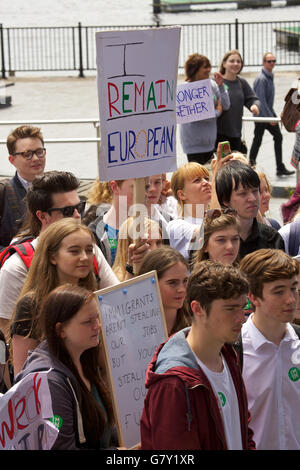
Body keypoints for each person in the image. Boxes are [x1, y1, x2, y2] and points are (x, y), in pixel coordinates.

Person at [140, 261, 255, 450]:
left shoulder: (229, 355)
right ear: (197, 308)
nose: (241, 318)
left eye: (242, 307)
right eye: (230, 309)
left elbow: (243, 430)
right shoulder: (173, 384)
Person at [0, 171, 119, 341]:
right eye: (68, 210)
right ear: (42, 216)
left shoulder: (91, 251)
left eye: (80, 207)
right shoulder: (16, 267)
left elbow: (117, 302)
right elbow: (7, 338)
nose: (77, 216)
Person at [14, 284, 116, 450]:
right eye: (88, 322)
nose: (98, 326)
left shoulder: (84, 355)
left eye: (97, 318)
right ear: (61, 330)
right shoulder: (50, 384)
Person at [10, 218, 99, 376]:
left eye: (89, 250)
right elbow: (23, 376)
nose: (85, 257)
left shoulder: (91, 297)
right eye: (74, 251)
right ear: (52, 257)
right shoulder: (31, 305)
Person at [239, 248, 300, 450]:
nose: (291, 299)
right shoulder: (234, 351)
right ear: (253, 297)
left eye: (294, 288)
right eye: (278, 291)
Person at [215, 160, 285, 259]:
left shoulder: (272, 238)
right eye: (243, 193)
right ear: (225, 200)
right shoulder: (209, 237)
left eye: (255, 191)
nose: (252, 198)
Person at [179, 53, 230, 165]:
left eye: (209, 67)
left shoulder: (212, 85)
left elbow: (226, 105)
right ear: (195, 69)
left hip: (209, 143)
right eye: (205, 67)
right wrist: (218, 111)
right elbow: (201, 116)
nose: (208, 70)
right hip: (193, 144)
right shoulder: (186, 89)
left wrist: (221, 87)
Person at [249, 52, 294, 176]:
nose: (272, 63)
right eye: (269, 61)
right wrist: (270, 118)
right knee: (258, 140)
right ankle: (251, 165)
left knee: (274, 137)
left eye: (274, 61)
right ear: (264, 63)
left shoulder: (269, 76)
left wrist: (275, 115)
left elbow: (268, 103)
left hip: (267, 114)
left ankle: (279, 167)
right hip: (261, 117)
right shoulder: (261, 79)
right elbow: (261, 101)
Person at [0, 125, 46, 249]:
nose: (36, 158)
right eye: (27, 154)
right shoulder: (3, 193)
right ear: (12, 160)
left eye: (39, 152)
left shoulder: (56, 190)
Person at [138, 246, 190, 336]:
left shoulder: (194, 327)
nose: (182, 289)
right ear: (150, 283)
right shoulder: (135, 330)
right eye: (172, 282)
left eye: (185, 281)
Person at [217, 49, 260, 153]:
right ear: (224, 63)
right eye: (232, 61)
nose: (235, 64)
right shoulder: (217, 82)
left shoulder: (241, 82)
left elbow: (253, 99)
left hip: (236, 134)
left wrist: (254, 106)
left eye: (238, 61)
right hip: (219, 135)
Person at [87, 178, 134, 266]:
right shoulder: (94, 234)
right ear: (115, 187)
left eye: (146, 187)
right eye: (135, 187)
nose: (145, 193)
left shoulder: (152, 226)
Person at [112, 216, 163, 281]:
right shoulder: (115, 283)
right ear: (130, 246)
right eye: (148, 244)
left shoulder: (166, 274)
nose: (156, 249)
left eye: (158, 243)